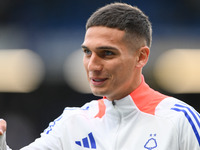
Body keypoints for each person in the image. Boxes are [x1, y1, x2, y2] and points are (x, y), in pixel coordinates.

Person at [0, 2, 200, 150]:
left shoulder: (180, 120)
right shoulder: (72, 122)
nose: (92, 65)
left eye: (107, 53)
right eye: (87, 52)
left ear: (141, 57)